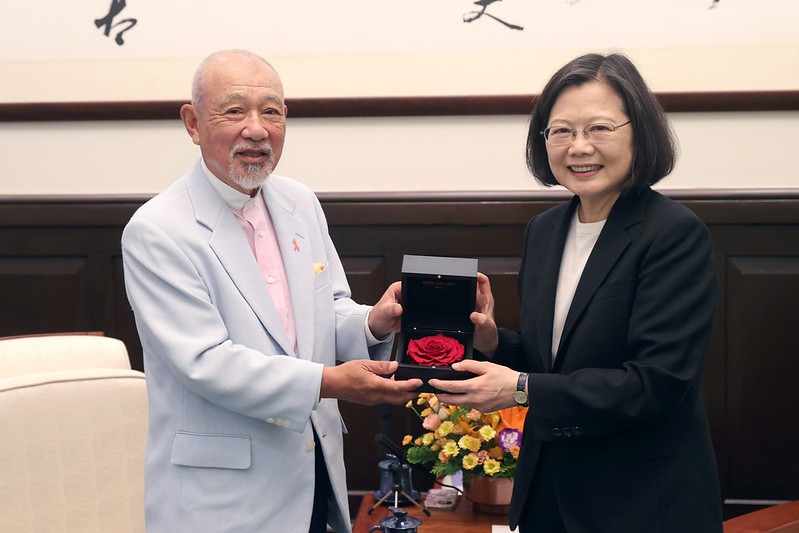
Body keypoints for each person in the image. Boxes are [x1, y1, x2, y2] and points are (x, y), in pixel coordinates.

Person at [121, 49, 422, 533]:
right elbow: (206, 361)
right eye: (235, 110)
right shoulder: (158, 229)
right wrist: (328, 382)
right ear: (193, 123)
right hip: (221, 497)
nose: (257, 129)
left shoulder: (298, 201)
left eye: (272, 111)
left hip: (314, 474)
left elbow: (330, 308)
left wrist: (371, 322)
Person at [430, 53, 723, 532]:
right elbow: (557, 363)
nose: (579, 147)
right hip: (550, 496)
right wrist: (493, 343)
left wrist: (521, 390)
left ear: (639, 132)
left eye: (600, 128)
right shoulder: (545, 230)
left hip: (642, 504)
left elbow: (656, 384)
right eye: (561, 131)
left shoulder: (673, 233)